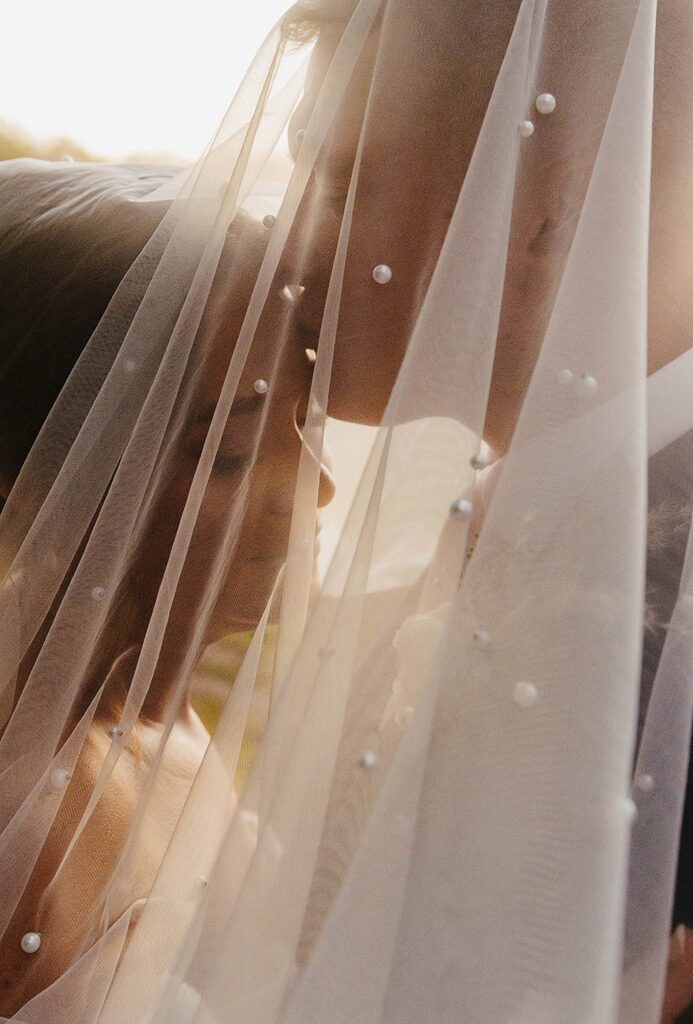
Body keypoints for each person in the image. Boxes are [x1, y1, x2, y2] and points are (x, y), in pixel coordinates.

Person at [0, 1, 691, 1021]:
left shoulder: (649, 612)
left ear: (544, 206)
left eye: (335, 179)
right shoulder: (515, 533)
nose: (294, 242)